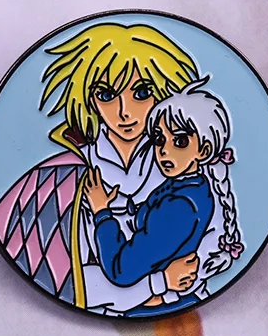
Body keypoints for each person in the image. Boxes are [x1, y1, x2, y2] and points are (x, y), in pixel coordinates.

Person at [0, 21, 202, 315]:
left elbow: (206, 257)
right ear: (88, 101)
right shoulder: (59, 179)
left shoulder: (185, 163)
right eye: (106, 95)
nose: (124, 112)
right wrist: (159, 283)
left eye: (142, 92)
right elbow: (66, 281)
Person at [83, 80, 243, 317]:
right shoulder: (186, 186)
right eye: (159, 139)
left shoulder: (181, 206)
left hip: (161, 311)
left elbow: (121, 270)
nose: (165, 151)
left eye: (180, 142)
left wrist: (102, 213)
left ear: (204, 150)